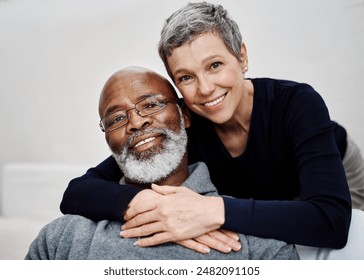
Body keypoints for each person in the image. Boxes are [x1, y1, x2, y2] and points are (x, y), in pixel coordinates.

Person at [60, 2, 364, 254]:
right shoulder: (185, 123)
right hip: (269, 197)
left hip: (338, 174)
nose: (205, 89)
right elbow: (77, 192)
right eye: (186, 77)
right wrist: (148, 204)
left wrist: (210, 211)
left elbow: (331, 221)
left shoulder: (297, 102)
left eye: (215, 65)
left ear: (241, 57)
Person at [25, 66, 299, 260]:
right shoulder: (61, 239)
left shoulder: (256, 240)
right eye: (117, 119)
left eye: (152, 104)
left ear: (185, 116)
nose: (136, 122)